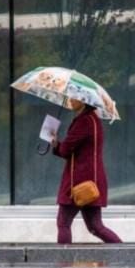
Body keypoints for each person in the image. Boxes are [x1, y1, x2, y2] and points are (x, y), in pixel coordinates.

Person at [50, 99, 122, 244]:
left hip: (78, 182)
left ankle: (63, 258)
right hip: (91, 181)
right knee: (96, 226)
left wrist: (56, 144)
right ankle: (125, 252)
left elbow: (66, 150)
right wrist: (57, 145)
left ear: (83, 101)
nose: (70, 100)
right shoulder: (92, 119)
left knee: (63, 223)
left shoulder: (84, 122)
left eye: (74, 98)